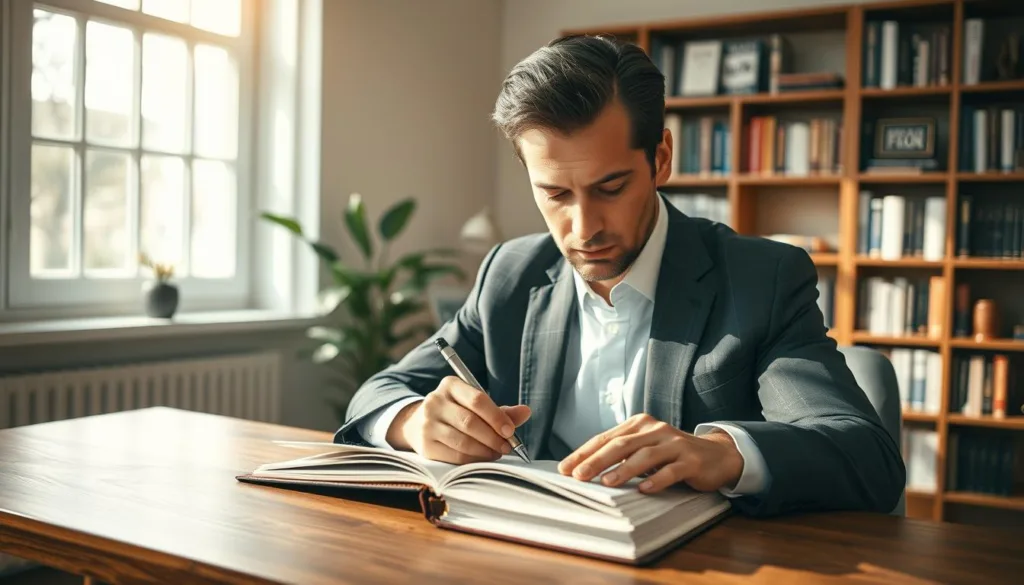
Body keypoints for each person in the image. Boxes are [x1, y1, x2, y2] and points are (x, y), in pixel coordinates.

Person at [334, 34, 905, 517]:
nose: (583, 228)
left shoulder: (761, 280)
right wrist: (413, 421)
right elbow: (379, 392)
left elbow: (864, 455)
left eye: (610, 188)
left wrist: (723, 452)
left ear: (660, 159)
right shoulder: (511, 273)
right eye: (555, 193)